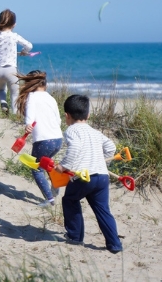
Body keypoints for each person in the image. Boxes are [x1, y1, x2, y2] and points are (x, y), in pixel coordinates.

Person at [56, 95, 122, 254]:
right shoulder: (95, 132)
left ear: (67, 116)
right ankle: (114, 244)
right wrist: (101, 162)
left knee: (70, 200)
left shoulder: (71, 130)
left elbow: (74, 149)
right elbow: (111, 147)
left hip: (84, 177)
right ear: (88, 116)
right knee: (102, 209)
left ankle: (75, 236)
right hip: (102, 176)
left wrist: (63, 166)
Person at [15, 70, 63, 207]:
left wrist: (28, 125)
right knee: (47, 163)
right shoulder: (51, 98)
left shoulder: (32, 97)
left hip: (43, 140)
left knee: (36, 168)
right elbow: (58, 119)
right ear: (45, 85)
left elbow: (30, 116)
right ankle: (56, 185)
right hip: (58, 138)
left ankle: (50, 199)